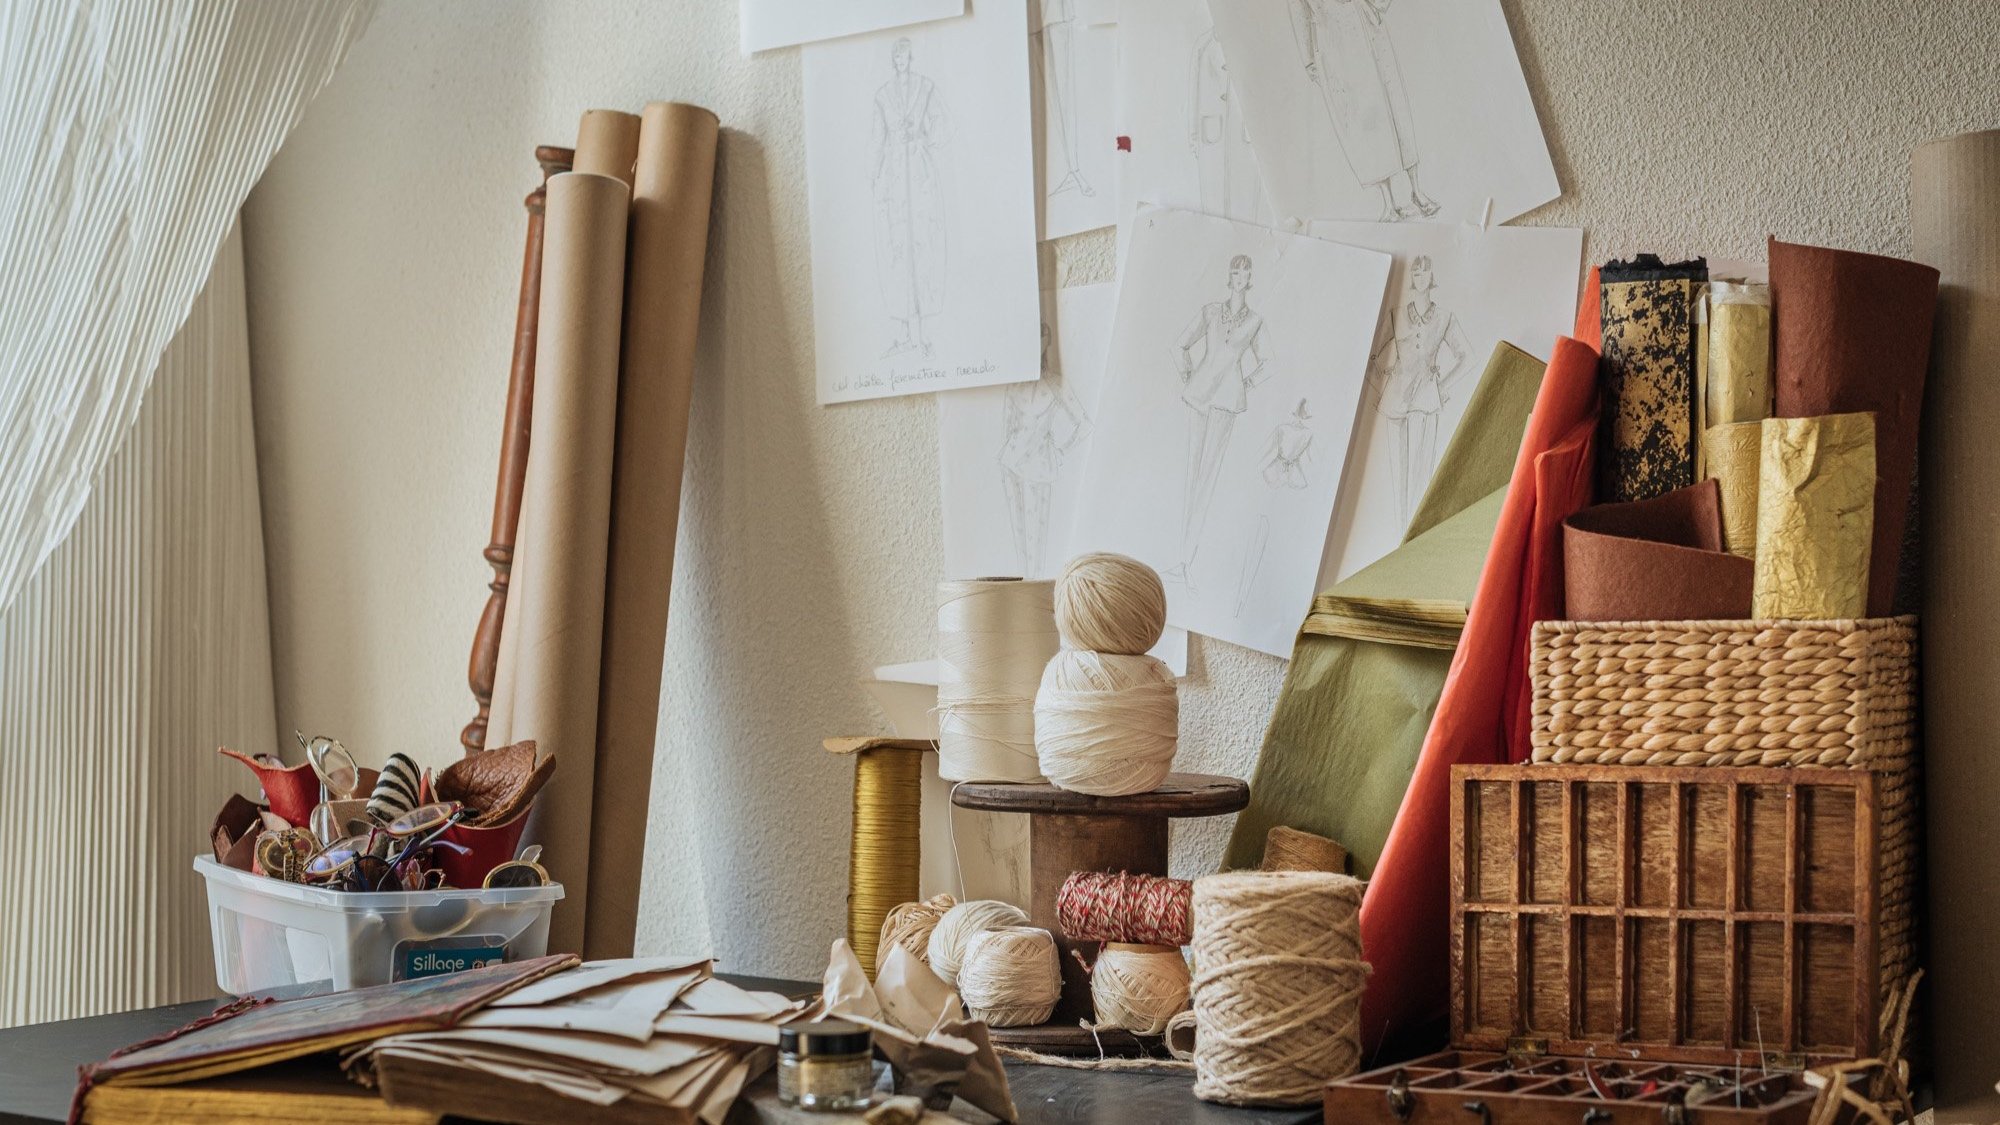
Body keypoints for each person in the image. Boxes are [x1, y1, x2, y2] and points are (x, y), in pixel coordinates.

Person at [1169, 254, 1271, 588]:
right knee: (1190, 474)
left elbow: (1269, 362)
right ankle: (1180, 559)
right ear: (1229, 276)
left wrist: (1246, 384)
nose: (1240, 277)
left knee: (1208, 479)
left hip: (1227, 403)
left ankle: (1188, 561)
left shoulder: (1255, 321)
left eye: (1245, 272)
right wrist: (1189, 377)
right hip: (1198, 397)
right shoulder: (1211, 311)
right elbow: (1180, 345)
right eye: (1235, 272)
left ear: (1250, 279)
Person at [1291, 0, 1438, 221]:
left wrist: (1376, 6)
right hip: (1334, 43)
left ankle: (1417, 191)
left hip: (1367, 26)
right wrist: (1309, 60)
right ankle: (1389, 203)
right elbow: (1298, 8)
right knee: (1365, 121)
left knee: (1395, 105)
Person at [1368, 255, 1471, 519]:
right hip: (1395, 401)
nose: (1420, 275)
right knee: (1398, 478)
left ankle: (1413, 531)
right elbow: (1370, 356)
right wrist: (1379, 389)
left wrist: (1442, 388)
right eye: (1416, 271)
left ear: (1432, 277)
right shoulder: (1396, 315)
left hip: (1426, 402)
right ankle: (1398, 528)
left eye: (1425, 271)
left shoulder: (1445, 317)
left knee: (1421, 476)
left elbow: (1467, 357)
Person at [871, 37, 948, 358]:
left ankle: (921, 336)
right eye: (896, 55)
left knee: (923, 244)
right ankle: (903, 334)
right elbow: (877, 138)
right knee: (896, 248)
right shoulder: (883, 95)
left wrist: (924, 139)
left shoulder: (925, 88)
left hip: (919, 174)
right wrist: (875, 173)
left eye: (905, 54)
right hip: (894, 178)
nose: (901, 59)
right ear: (893, 59)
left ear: (911, 57)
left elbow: (942, 124)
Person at [998, 322, 1090, 576]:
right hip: (1011, 463)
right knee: (1020, 542)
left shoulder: (1055, 384)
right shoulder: (1014, 385)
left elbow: (1084, 424)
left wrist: (1061, 450)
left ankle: (1034, 590)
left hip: (1038, 466)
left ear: (1045, 343)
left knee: (1037, 545)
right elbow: (1007, 428)